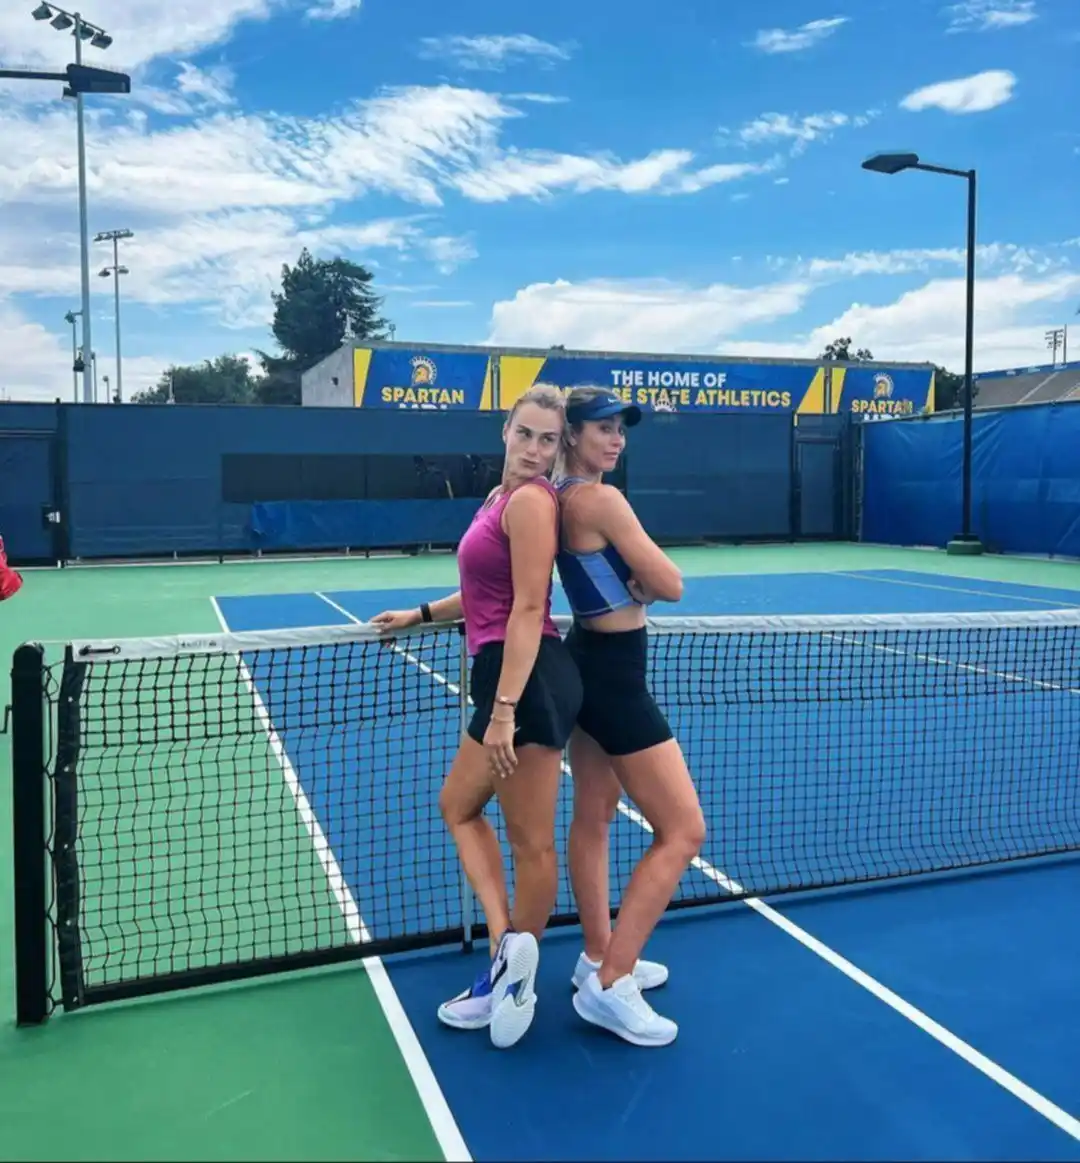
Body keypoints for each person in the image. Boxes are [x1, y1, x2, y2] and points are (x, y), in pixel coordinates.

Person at [371, 384, 582, 1050]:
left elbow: (528, 606)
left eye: (549, 440)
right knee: (458, 806)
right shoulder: (499, 498)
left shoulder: (532, 502)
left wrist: (504, 711)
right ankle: (506, 950)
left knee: (531, 842)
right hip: (510, 674)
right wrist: (419, 614)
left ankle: (514, 977)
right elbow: (482, 590)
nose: (535, 449)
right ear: (505, 431)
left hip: (525, 680)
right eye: (526, 434)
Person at [554, 386, 706, 1048]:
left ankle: (597, 954)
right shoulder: (601, 499)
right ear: (571, 434)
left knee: (593, 815)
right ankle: (611, 983)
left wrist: (636, 582)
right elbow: (671, 583)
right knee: (683, 830)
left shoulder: (553, 498)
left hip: (584, 658)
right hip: (616, 679)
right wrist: (647, 585)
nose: (616, 439)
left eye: (620, 428)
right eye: (602, 428)